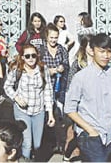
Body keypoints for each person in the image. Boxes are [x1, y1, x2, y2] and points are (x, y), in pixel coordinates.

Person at [64, 33, 111, 162]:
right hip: (89, 135)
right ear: (92, 51)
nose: (106, 56)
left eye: (108, 52)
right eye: (102, 51)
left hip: (109, 134)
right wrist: (90, 130)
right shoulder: (81, 77)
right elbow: (69, 109)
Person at [3, 43, 54, 160]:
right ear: (22, 57)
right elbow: (7, 86)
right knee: (27, 144)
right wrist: (16, 98)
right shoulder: (18, 70)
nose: (31, 59)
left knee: (37, 144)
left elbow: (48, 90)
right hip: (22, 111)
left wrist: (50, 113)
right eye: (27, 56)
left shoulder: (43, 69)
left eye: (33, 55)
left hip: (38, 111)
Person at [40, 23, 69, 154]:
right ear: (46, 37)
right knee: (46, 115)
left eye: (55, 37)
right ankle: (47, 143)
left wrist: (62, 67)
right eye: (51, 37)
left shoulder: (62, 49)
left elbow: (66, 64)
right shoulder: (40, 50)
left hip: (58, 88)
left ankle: (59, 143)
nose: (53, 40)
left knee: (58, 115)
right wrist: (47, 71)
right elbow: (35, 67)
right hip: (44, 87)